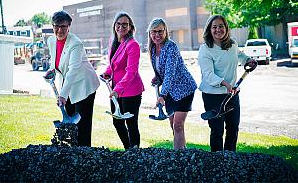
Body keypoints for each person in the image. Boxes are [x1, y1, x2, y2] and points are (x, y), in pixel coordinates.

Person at [198, 15, 257, 152]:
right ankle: (217, 162)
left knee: (233, 128)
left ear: (226, 28)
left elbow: (239, 55)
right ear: (209, 29)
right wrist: (225, 84)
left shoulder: (232, 44)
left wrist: (248, 60)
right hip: (212, 95)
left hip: (232, 94)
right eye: (214, 27)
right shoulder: (205, 49)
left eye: (221, 26)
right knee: (217, 130)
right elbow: (208, 74)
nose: (218, 29)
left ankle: (230, 160)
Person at [47, 10, 99, 147]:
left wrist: (62, 95)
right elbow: (56, 62)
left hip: (84, 85)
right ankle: (71, 153)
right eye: (56, 26)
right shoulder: (51, 40)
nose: (59, 30)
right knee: (69, 121)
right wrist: (51, 71)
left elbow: (73, 70)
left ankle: (84, 155)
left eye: (63, 26)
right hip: (68, 85)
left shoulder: (76, 43)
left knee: (82, 125)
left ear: (69, 26)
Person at [147, 18, 197, 150]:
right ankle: (183, 151)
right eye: (154, 32)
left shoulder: (171, 46)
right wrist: (157, 77)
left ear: (165, 31)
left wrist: (162, 95)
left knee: (178, 125)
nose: (157, 35)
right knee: (173, 125)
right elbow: (162, 70)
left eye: (160, 31)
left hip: (184, 88)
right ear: (150, 33)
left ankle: (177, 157)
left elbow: (170, 72)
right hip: (170, 91)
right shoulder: (152, 49)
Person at [102, 12, 144, 150]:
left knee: (131, 124)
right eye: (118, 24)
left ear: (130, 27)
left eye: (125, 24)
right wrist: (107, 73)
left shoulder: (133, 45)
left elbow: (131, 72)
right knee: (117, 122)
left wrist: (117, 90)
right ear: (114, 26)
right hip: (116, 91)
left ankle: (135, 153)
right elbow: (113, 64)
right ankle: (128, 150)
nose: (121, 27)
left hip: (130, 91)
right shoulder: (113, 41)